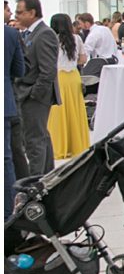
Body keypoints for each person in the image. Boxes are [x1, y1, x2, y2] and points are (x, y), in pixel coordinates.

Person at [10, 0, 58, 180]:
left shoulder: (44, 33)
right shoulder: (29, 33)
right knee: (40, 136)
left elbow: (48, 71)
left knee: (34, 140)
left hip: (35, 96)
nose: (17, 16)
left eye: (20, 12)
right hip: (29, 93)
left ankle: (35, 181)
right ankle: (46, 176)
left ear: (32, 12)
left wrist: (34, 94)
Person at [40, 13, 87, 162]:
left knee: (57, 112)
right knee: (75, 110)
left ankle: (59, 146)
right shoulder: (77, 38)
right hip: (73, 77)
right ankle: (76, 145)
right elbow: (83, 59)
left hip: (58, 77)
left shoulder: (50, 39)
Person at [3, 18, 19, 216]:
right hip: (5, 103)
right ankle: (10, 211)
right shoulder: (10, 34)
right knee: (6, 159)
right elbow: (19, 70)